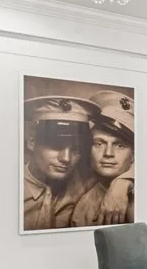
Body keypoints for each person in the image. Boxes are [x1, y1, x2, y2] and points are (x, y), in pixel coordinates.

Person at [23, 96, 98, 230]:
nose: (66, 158)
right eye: (57, 145)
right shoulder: (8, 191)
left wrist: (121, 184)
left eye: (76, 149)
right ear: (32, 141)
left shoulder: (83, 183)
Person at [71, 90, 136, 227]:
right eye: (99, 144)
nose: (108, 153)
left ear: (133, 155)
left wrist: (124, 182)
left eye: (119, 145)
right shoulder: (83, 206)